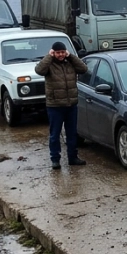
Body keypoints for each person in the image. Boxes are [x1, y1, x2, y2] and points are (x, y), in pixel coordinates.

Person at [35, 41, 88, 169]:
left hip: (71, 105)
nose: (61, 55)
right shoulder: (49, 65)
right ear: (53, 52)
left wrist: (71, 56)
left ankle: (73, 157)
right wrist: (49, 57)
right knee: (55, 134)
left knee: (72, 133)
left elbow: (83, 69)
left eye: (62, 52)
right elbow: (39, 70)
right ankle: (55, 159)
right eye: (58, 52)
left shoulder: (70, 62)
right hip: (55, 106)